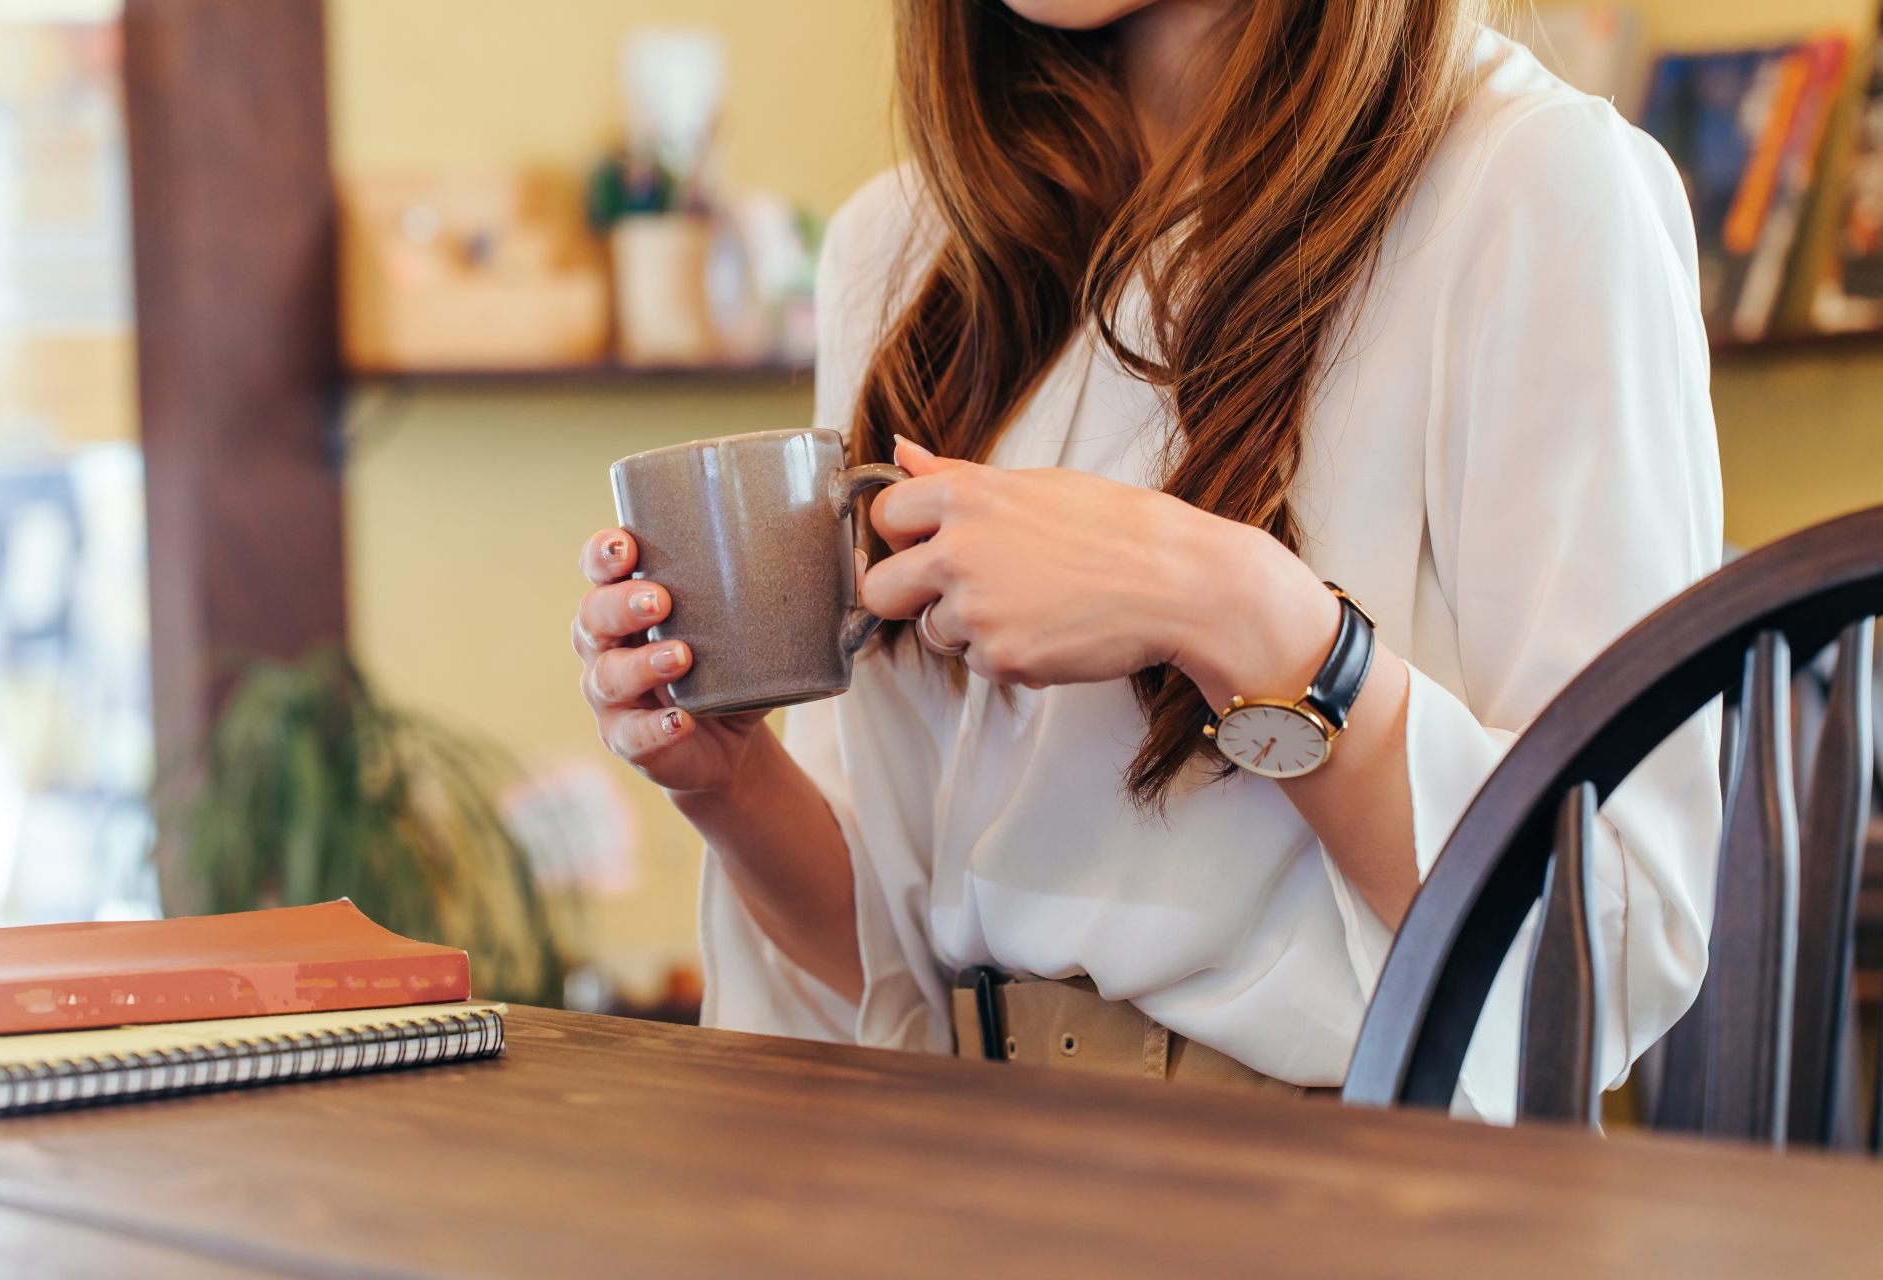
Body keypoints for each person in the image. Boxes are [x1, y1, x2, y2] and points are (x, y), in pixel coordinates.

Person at [573, 0, 1722, 1120]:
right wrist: (730, 782)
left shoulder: (1533, 183)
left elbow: (1606, 947)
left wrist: (1226, 604)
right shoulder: (904, 246)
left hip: (1354, 1178)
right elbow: (892, 975)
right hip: (959, 1153)